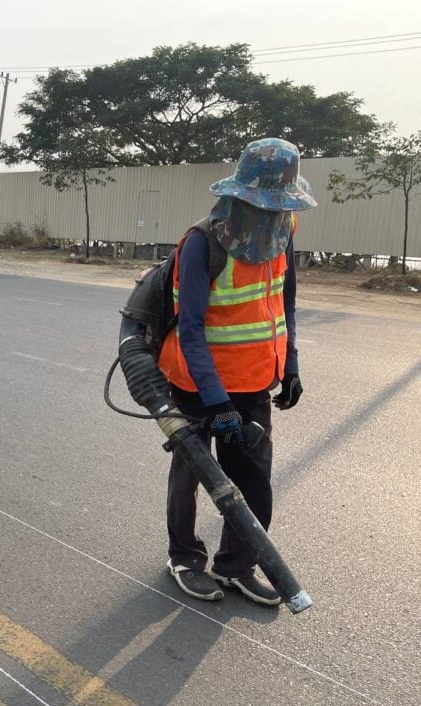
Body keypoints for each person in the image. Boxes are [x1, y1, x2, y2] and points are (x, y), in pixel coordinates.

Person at [159, 138, 315, 606]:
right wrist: (217, 402)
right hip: (196, 385)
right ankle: (184, 558)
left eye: (279, 205)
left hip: (253, 383)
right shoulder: (201, 243)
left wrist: (289, 364)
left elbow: (284, 301)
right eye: (264, 204)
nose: (272, 213)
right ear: (241, 196)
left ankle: (235, 565)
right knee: (193, 473)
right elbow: (190, 329)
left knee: (253, 483)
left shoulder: (284, 229)